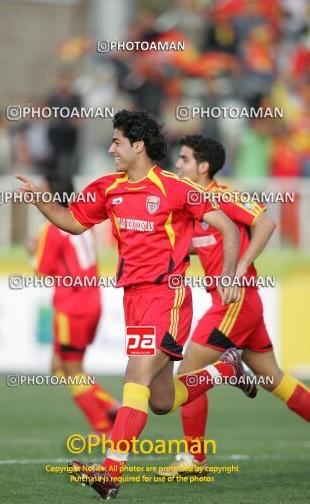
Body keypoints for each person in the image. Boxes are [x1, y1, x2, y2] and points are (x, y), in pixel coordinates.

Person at [16, 110, 256, 500]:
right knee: (161, 401)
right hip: (133, 300)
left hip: (168, 295)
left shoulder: (175, 188)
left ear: (138, 145)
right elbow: (74, 222)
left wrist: (227, 275)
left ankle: (110, 474)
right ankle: (225, 370)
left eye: (116, 141)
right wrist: (40, 200)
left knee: (134, 381)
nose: (111, 148)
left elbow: (227, 226)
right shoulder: (106, 188)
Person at [158, 134, 310, 478]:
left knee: (188, 372)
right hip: (239, 305)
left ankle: (194, 460)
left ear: (203, 166)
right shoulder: (192, 206)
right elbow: (200, 245)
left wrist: (240, 268)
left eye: (183, 159)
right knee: (274, 380)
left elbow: (266, 223)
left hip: (235, 302)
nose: (177, 165)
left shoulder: (224, 197)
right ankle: (196, 456)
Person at [30, 173, 119, 435]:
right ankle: (110, 405)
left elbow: (42, 272)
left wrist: (30, 250)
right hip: (92, 302)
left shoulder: (51, 228)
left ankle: (105, 430)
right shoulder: (82, 222)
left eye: (43, 189)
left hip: (71, 307)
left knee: (71, 369)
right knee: (58, 367)